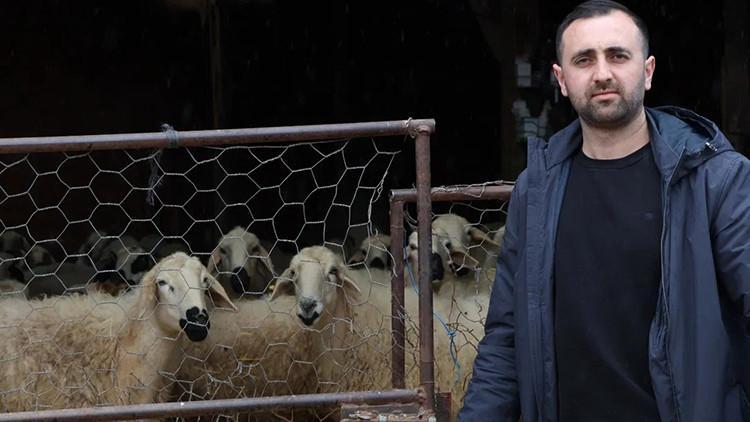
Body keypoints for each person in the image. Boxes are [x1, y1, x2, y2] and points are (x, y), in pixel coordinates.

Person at [458, 1, 750, 421]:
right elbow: (506, 338)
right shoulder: (537, 190)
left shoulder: (714, 179)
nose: (602, 74)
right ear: (561, 79)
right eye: (584, 60)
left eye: (617, 55)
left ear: (647, 71)